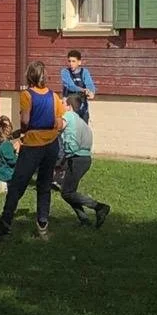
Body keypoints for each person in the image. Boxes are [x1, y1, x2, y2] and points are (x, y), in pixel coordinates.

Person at [0, 61, 66, 240]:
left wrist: (24, 132)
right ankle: (43, 227)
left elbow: (25, 121)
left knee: (17, 185)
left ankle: (4, 225)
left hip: (33, 145)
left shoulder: (26, 95)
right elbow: (60, 120)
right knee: (44, 185)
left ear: (30, 76)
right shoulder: (54, 96)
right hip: (52, 144)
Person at [60, 93, 110, 227]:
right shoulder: (81, 122)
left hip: (77, 159)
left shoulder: (68, 116)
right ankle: (84, 220)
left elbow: (58, 128)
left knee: (67, 192)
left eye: (63, 104)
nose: (61, 106)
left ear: (69, 107)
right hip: (84, 159)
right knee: (69, 192)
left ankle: (99, 207)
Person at [60, 50, 97, 122]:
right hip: (69, 108)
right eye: (69, 61)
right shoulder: (65, 72)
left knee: (84, 131)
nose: (71, 64)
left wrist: (91, 92)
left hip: (82, 107)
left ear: (79, 62)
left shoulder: (85, 72)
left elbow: (89, 84)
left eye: (73, 61)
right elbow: (70, 86)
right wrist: (83, 90)